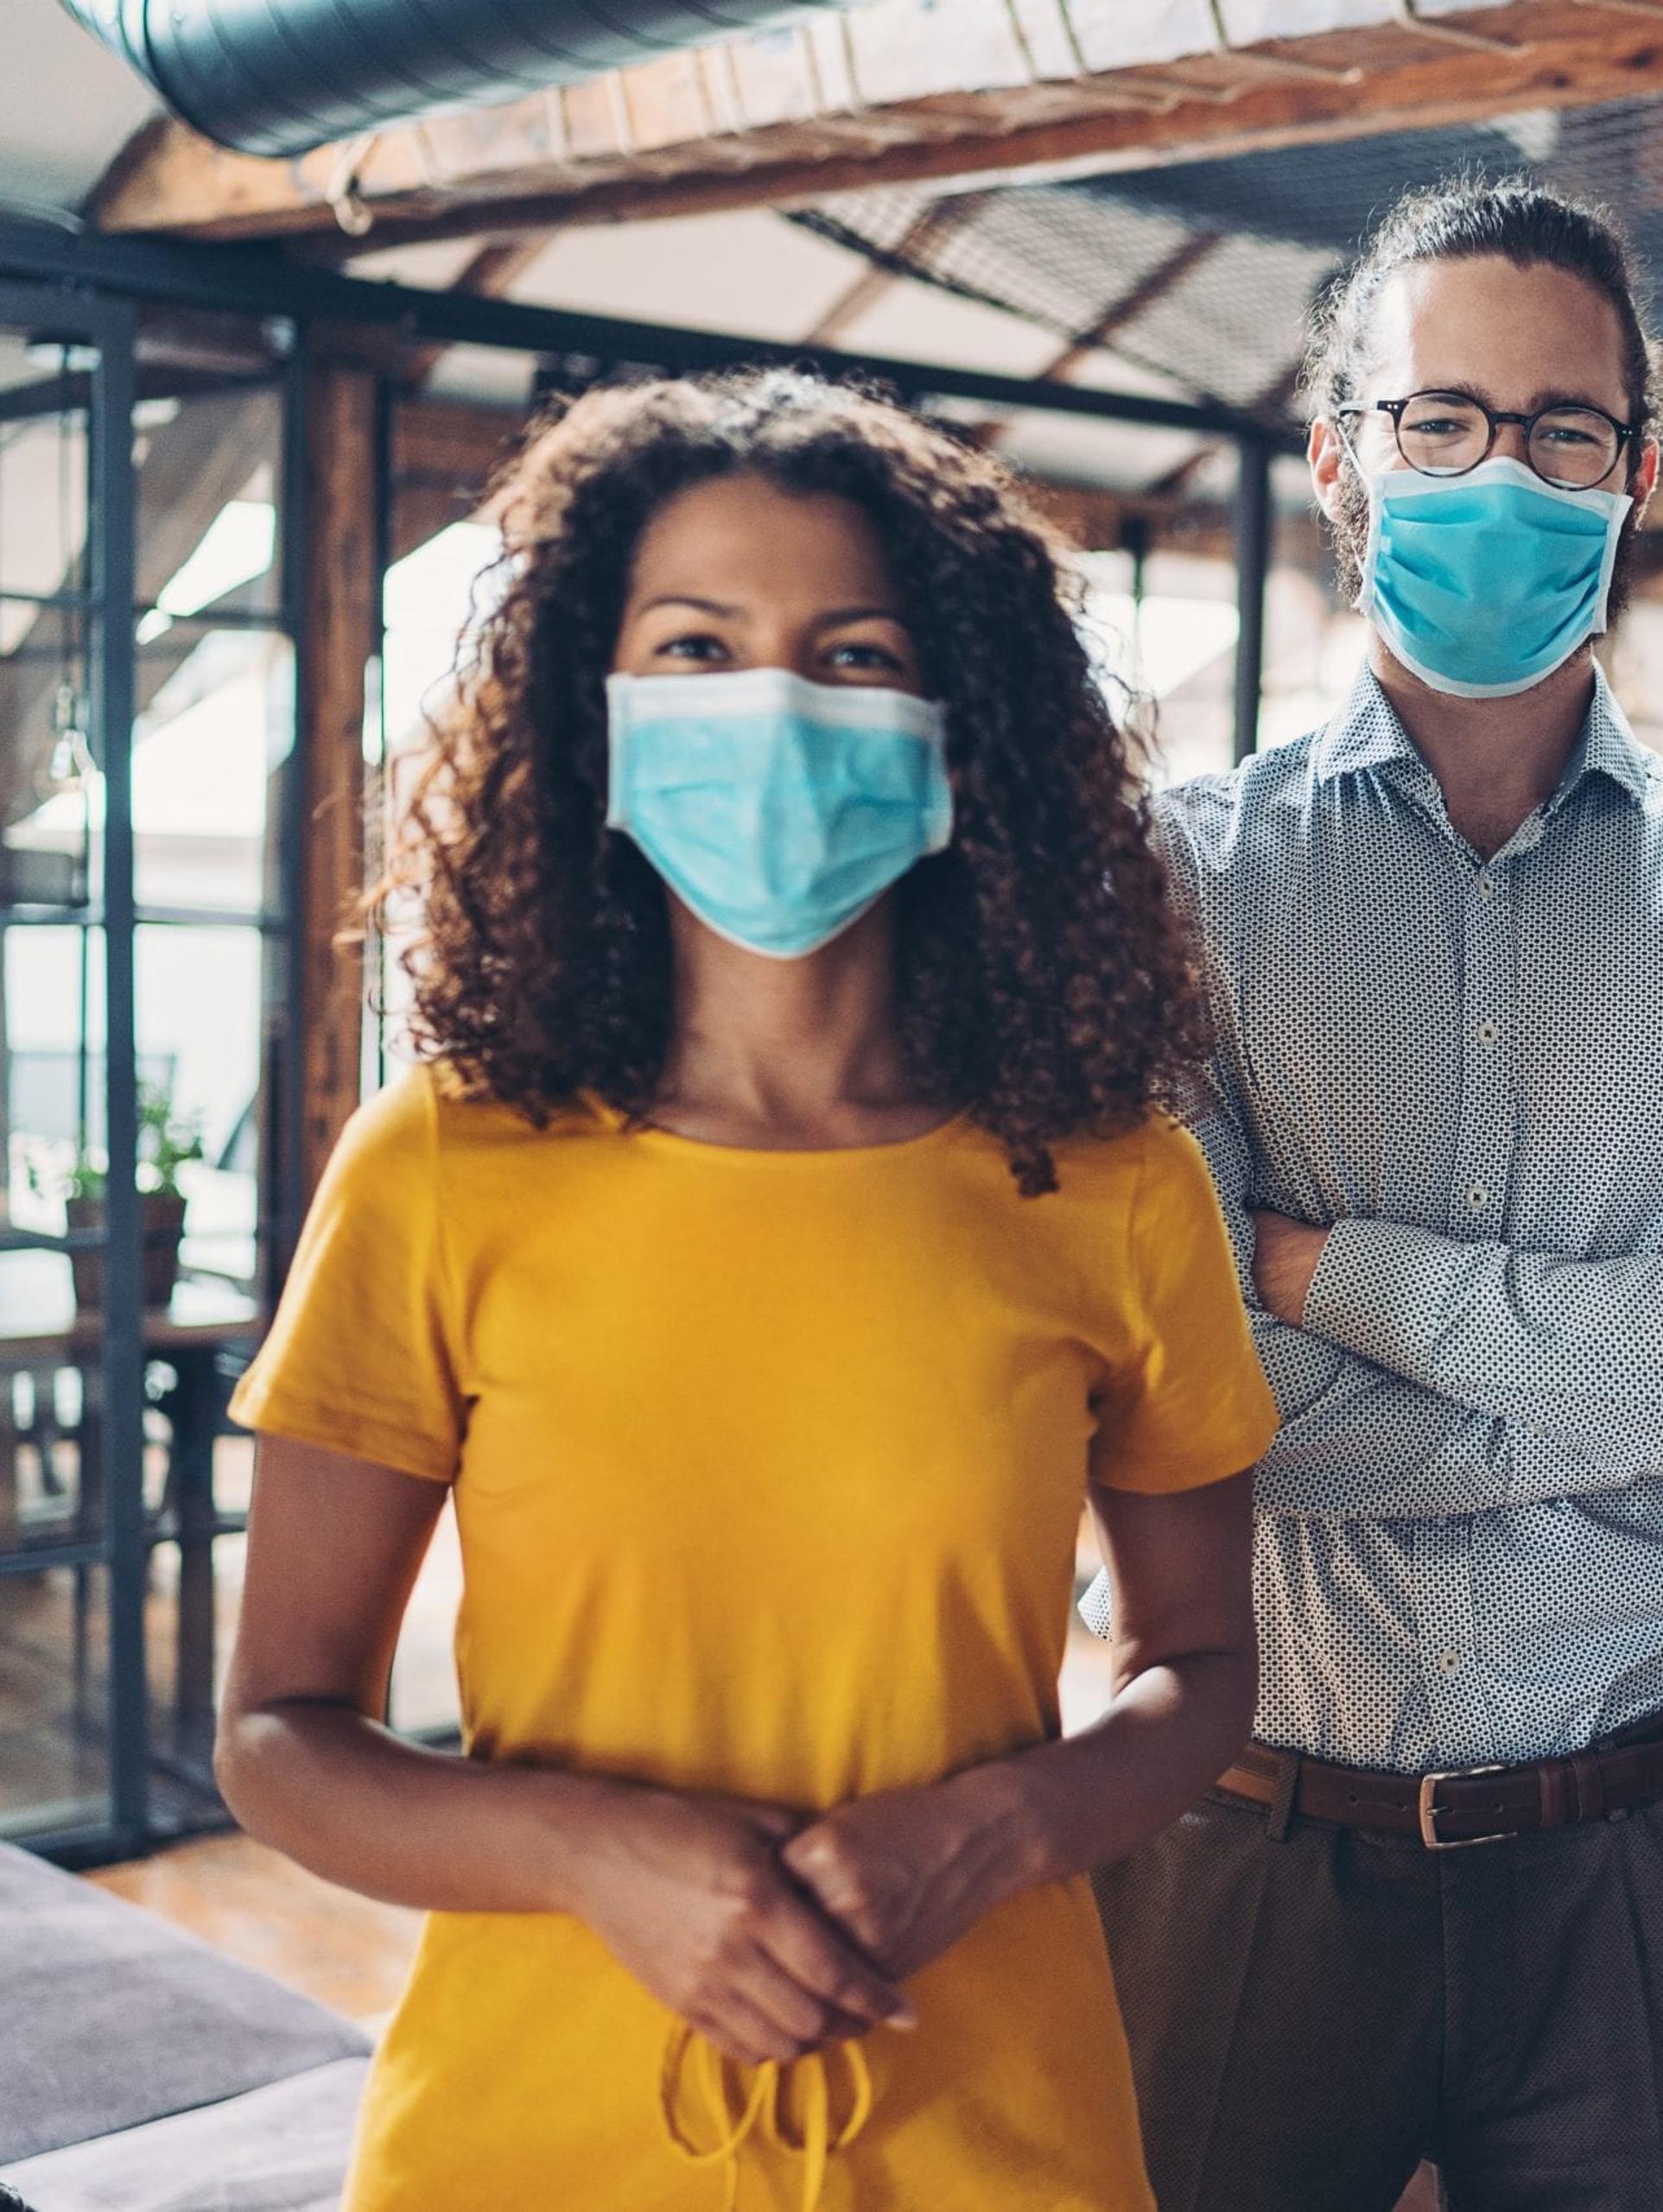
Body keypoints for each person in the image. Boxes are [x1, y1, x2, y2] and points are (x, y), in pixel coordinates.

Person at [214, 371, 1278, 2212]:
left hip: (993, 2132)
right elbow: (276, 1738)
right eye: (697, 646)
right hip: (522, 2140)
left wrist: (1002, 1824)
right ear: (598, 715)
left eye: (852, 656)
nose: (772, 707)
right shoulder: (441, 1165)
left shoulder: (1114, 1183)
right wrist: (587, 1852)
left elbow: (1202, 1674)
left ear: (967, 731)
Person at [1094, 177, 1663, 2212]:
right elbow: (1202, 1406)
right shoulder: (1177, 884)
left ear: (1638, 468)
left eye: (1563, 428)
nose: (1501, 469)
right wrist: (1647, 1324)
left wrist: (1327, 1271)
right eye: (1438, 418)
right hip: (1245, 1838)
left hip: (1638, 1860)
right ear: (1339, 455)